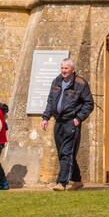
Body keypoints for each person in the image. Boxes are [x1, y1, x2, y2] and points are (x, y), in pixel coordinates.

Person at [40, 58, 94, 190]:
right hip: (58, 121)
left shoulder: (80, 83)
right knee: (63, 152)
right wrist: (46, 117)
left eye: (66, 68)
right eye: (62, 68)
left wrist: (79, 118)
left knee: (66, 152)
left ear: (72, 69)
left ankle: (62, 183)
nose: (63, 71)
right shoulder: (56, 81)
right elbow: (50, 100)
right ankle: (77, 180)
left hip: (72, 122)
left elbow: (89, 103)